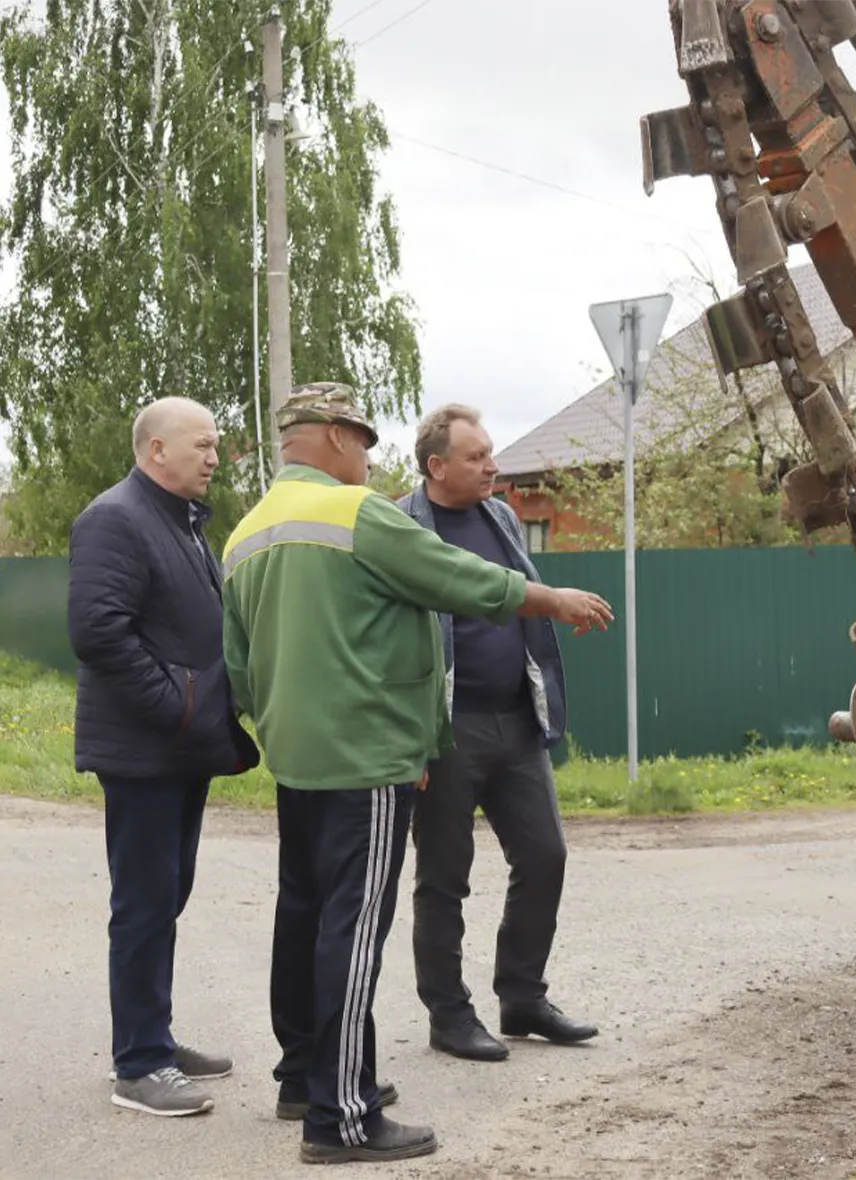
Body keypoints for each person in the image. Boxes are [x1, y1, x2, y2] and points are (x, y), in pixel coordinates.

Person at [220, 384, 612, 1166]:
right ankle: (342, 1118)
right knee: (354, 928)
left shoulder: (245, 533)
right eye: (361, 441)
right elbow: (457, 579)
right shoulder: (359, 515)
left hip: (297, 758)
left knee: (303, 918)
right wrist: (550, 599)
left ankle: (304, 1076)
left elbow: (238, 666)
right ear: (331, 436)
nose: (368, 457)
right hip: (365, 757)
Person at [67, 396, 261, 1117]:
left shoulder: (179, 521)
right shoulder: (114, 518)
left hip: (182, 746)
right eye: (203, 445)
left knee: (166, 891)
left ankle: (155, 1035)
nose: (215, 457)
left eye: (215, 445)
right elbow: (98, 634)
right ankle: (140, 1064)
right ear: (157, 451)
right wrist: (179, 706)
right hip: (148, 748)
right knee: (145, 900)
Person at [398, 404, 597, 1063]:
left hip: (516, 720)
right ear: (438, 466)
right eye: (478, 456)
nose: (493, 465)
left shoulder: (503, 516)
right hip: (447, 730)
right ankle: (449, 1016)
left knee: (545, 857)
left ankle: (522, 998)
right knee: (444, 877)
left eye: (491, 452)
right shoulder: (403, 524)